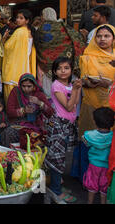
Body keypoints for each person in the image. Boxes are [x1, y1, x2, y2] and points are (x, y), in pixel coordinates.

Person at [72, 24, 115, 182]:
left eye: (107, 36)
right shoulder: (88, 56)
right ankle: (87, 178)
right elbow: (82, 79)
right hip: (91, 105)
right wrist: (87, 83)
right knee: (89, 139)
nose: (102, 39)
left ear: (113, 39)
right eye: (99, 36)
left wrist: (109, 84)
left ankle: (107, 182)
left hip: (111, 105)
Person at [44, 57, 82, 203]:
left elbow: (76, 103)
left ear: (71, 70)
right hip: (59, 125)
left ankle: (57, 184)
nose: (63, 71)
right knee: (57, 158)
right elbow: (68, 106)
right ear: (54, 71)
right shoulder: (56, 85)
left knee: (61, 156)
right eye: (59, 68)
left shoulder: (70, 85)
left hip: (68, 124)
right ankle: (56, 190)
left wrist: (76, 89)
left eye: (66, 68)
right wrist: (76, 89)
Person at [34, 7, 86, 98]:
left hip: (48, 66)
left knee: (51, 94)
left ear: (43, 16)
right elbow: (77, 39)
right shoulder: (65, 27)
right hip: (67, 64)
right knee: (68, 95)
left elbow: (38, 46)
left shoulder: (41, 30)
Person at [0, 73, 54, 148]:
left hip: (35, 125)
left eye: (29, 86)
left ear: (34, 85)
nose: (26, 89)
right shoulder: (16, 92)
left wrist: (39, 103)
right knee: (9, 133)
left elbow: (50, 112)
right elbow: (9, 112)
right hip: (18, 124)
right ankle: (10, 155)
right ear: (20, 85)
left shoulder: (39, 94)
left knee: (42, 138)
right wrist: (23, 110)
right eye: (23, 86)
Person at [2, 9, 36, 105]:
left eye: (21, 18)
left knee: (11, 100)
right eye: (17, 17)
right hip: (25, 68)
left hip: (14, 70)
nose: (17, 20)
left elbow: (7, 48)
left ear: (27, 20)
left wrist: (4, 39)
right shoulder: (30, 31)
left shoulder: (19, 32)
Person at [82, 107, 114, 204]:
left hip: (93, 165)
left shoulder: (89, 135)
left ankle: (89, 201)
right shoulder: (112, 136)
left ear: (95, 122)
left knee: (92, 184)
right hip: (107, 166)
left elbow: (85, 142)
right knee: (104, 187)